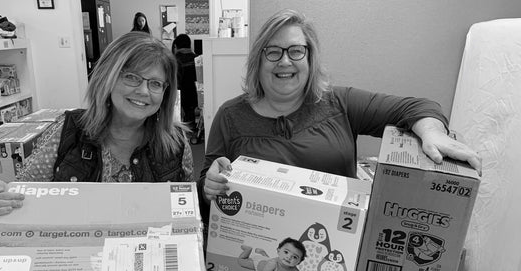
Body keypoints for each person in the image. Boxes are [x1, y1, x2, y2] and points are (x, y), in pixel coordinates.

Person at [199, 9, 482, 227]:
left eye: (296, 50)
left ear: (310, 59)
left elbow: (417, 107)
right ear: (258, 61)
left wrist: (432, 132)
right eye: (273, 52)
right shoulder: (230, 116)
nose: (285, 61)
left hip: (335, 250)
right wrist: (209, 185)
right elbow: (207, 187)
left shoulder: (340, 103)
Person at [0, 31, 193, 216]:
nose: (144, 91)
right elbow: (22, 189)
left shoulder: (175, 142)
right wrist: (3, 198)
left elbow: (186, 211)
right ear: (108, 78)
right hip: (78, 253)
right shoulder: (69, 131)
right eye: (132, 77)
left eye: (155, 83)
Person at [172, 34, 199, 130]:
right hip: (197, 96)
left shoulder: (173, 61)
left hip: (181, 98)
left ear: (175, 46)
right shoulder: (198, 58)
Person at [238, 238, 306, 271]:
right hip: (260, 264)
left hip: (268, 259)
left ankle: (263, 253)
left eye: (294, 257)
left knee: (269, 259)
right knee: (241, 261)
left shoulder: (294, 269)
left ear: (299, 262)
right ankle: (248, 250)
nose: (289, 257)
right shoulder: (272, 264)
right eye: (286, 252)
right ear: (278, 251)